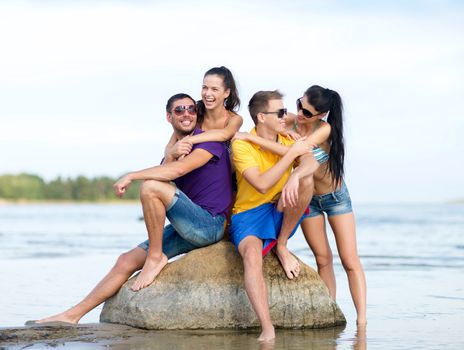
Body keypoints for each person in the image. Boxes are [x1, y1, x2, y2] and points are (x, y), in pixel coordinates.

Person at [32, 93, 233, 325]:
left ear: (197, 115)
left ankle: (156, 258)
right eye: (179, 110)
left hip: (210, 224)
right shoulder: (176, 149)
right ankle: (72, 316)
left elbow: (174, 174)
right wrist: (170, 154)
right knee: (125, 261)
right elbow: (167, 174)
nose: (186, 113)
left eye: (191, 109)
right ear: (169, 117)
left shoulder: (208, 141)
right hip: (190, 225)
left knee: (150, 187)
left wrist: (131, 175)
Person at [234, 85, 367, 325]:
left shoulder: (323, 129)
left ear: (320, 115)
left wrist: (252, 138)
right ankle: (331, 311)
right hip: (309, 199)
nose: (299, 113)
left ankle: (362, 322)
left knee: (349, 260)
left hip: (335, 196)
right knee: (323, 258)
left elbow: (298, 154)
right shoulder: (291, 120)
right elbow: (276, 133)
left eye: (306, 112)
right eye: (299, 105)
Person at [229, 90, 321, 342]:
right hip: (247, 214)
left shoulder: (287, 137)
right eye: (279, 112)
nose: (286, 116)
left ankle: (281, 245)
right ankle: (267, 327)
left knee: (306, 180)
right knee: (250, 255)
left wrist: (295, 174)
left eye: (284, 111)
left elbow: (312, 164)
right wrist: (291, 156)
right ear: (261, 117)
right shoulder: (241, 143)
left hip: (280, 209)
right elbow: (261, 183)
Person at [165, 66, 243, 160]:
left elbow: (224, 134)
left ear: (226, 93)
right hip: (194, 166)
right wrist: (169, 156)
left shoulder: (234, 119)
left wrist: (188, 140)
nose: (207, 93)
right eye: (205, 88)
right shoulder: (194, 112)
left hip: (224, 171)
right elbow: (171, 145)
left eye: (214, 89)